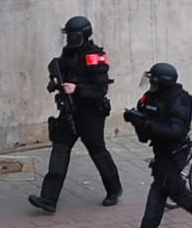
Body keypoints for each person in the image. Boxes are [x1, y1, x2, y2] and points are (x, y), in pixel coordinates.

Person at [122, 62, 192, 228]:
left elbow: (175, 131)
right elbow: (144, 133)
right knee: (175, 192)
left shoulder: (179, 100)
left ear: (163, 82)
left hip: (174, 153)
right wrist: (136, 119)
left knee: (158, 194)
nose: (150, 84)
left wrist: (144, 123)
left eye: (153, 80)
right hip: (160, 151)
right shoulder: (152, 97)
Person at [29, 16, 122, 213]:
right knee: (59, 152)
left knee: (98, 152)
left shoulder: (94, 56)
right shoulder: (68, 53)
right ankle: (48, 199)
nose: (69, 39)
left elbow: (100, 89)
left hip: (90, 114)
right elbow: (58, 70)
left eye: (72, 35)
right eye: (68, 35)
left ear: (82, 35)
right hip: (68, 111)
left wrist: (77, 89)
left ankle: (114, 189)